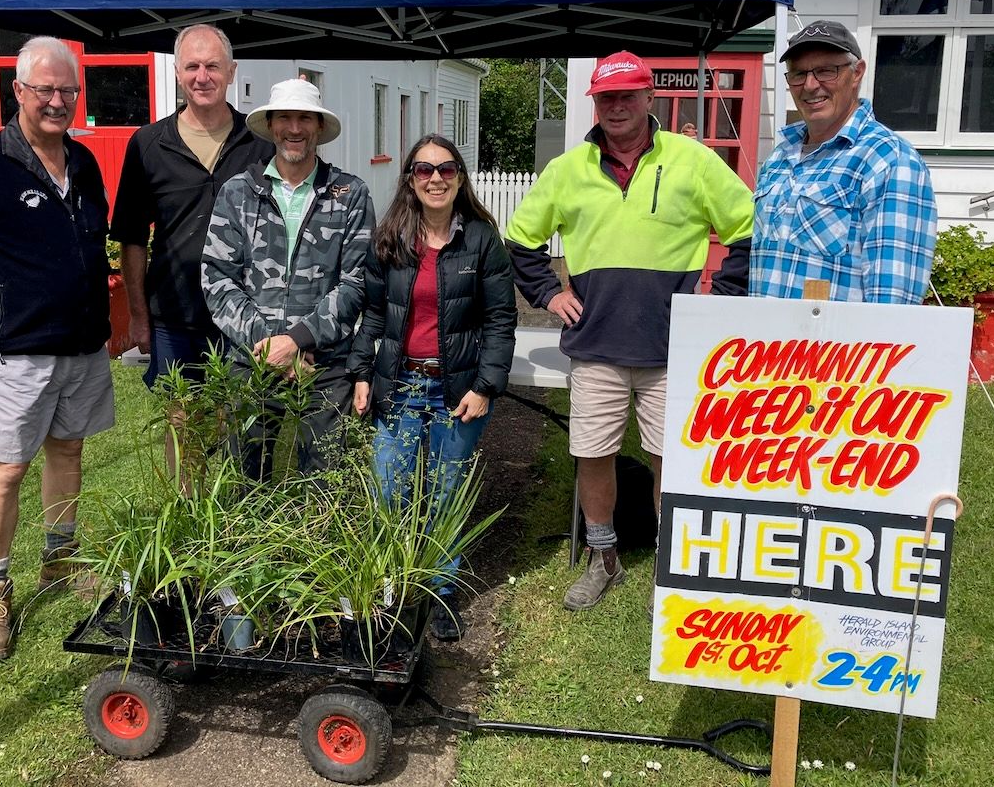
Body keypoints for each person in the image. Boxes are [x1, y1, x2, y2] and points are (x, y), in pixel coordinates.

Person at [505, 50, 754, 612]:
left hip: (674, 348)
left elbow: (748, 228)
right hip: (596, 348)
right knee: (593, 454)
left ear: (650, 98)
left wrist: (722, 297)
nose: (617, 106)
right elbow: (521, 241)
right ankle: (603, 559)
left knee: (674, 459)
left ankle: (675, 566)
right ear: (595, 102)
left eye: (627, 95)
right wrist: (550, 293)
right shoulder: (568, 170)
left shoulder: (693, 160)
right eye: (606, 97)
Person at [0, 36, 115, 663]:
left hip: (83, 346)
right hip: (17, 354)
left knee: (67, 451)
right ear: (19, 92)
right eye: (46, 90)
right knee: (5, 470)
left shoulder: (84, 163)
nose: (58, 101)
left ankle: (60, 561)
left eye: (69, 91)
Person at [348, 134, 517, 641]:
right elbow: (374, 313)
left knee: (445, 495)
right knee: (389, 490)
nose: (435, 178)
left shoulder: (482, 240)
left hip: (457, 390)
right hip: (400, 385)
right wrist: (361, 371)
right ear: (411, 179)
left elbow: (500, 320)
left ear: (460, 178)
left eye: (446, 169)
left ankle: (441, 592)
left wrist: (487, 385)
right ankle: (393, 587)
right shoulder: (392, 239)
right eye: (424, 170)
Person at [201, 79, 374, 478]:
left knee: (327, 481)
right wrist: (270, 347)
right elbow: (217, 278)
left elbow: (356, 283)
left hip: (325, 363)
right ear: (271, 125)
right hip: (253, 360)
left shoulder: (349, 194)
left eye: (304, 119)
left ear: (318, 127)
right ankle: (244, 542)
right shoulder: (239, 193)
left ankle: (320, 540)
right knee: (245, 479)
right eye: (285, 118)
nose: (294, 128)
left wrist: (297, 341)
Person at [110, 25, 275, 388]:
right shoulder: (148, 145)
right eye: (192, 67)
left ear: (231, 73)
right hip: (174, 317)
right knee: (182, 425)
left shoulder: (260, 145)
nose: (202, 77)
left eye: (213, 67)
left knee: (238, 423)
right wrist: (138, 315)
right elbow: (132, 239)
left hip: (246, 315)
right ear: (178, 73)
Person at [752, 20, 938, 303]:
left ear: (857, 73)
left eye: (826, 71)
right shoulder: (780, 157)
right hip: (767, 345)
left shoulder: (888, 159)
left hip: (833, 347)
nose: (811, 86)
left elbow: (892, 305)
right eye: (799, 74)